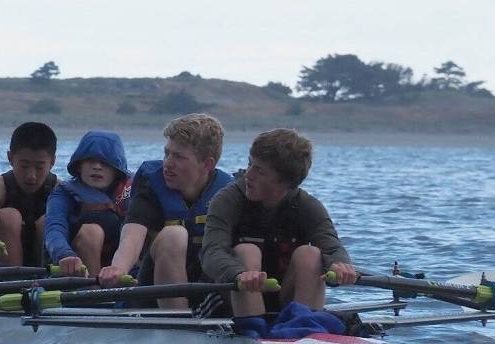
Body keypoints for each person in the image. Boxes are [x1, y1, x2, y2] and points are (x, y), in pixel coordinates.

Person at [199, 127, 357, 318]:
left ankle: (303, 325)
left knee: (310, 254)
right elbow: (211, 252)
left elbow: (332, 247)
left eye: (259, 171)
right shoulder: (227, 200)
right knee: (247, 251)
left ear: (285, 181)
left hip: (282, 297)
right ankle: (252, 325)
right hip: (228, 299)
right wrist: (238, 274)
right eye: (250, 164)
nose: (248, 174)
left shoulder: (307, 206)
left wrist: (340, 265)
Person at [98, 113, 231, 309]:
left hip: (207, 285)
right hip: (151, 290)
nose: (167, 163)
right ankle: (177, 322)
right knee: (173, 235)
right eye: (166, 153)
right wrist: (118, 268)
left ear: (207, 164)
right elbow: (132, 238)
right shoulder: (151, 183)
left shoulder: (228, 192)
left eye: (178, 157)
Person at [0, 121, 58, 268]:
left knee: (48, 220)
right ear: (10, 158)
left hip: (42, 267)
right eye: (24, 166)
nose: (31, 175)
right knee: (9, 216)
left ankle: (44, 278)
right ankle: (10, 279)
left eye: (39, 167)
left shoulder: (60, 190)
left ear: (53, 162)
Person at [44, 130, 131, 276]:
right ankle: (94, 294)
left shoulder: (135, 191)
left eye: (105, 162)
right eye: (90, 161)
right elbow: (54, 228)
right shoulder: (63, 194)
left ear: (117, 170)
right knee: (91, 232)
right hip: (76, 265)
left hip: (124, 266)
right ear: (79, 165)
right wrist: (64, 255)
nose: (97, 166)